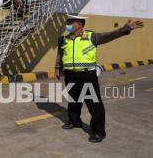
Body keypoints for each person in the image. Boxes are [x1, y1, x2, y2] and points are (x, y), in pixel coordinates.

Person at [54, 14, 144, 143]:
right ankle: (75, 122)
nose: (67, 23)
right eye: (67, 21)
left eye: (70, 21)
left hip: (87, 75)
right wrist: (57, 68)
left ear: (80, 24)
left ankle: (98, 131)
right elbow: (60, 55)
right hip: (70, 74)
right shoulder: (63, 40)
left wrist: (125, 29)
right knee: (73, 100)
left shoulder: (92, 37)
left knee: (94, 103)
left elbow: (110, 36)